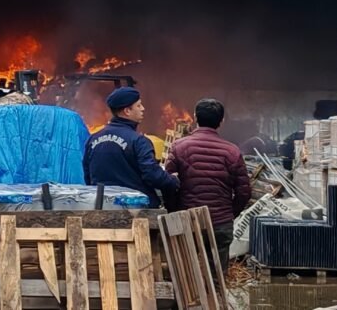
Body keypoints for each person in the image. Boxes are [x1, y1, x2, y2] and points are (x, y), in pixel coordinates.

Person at [165, 99, 251, 266]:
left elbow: (168, 184)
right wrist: (229, 214)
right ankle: (218, 293)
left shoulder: (178, 147)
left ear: (195, 117)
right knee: (217, 277)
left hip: (187, 220)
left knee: (187, 275)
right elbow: (244, 192)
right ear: (221, 121)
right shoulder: (232, 151)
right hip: (220, 223)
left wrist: (174, 210)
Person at [84, 87, 179, 208]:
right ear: (127, 111)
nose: (143, 109)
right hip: (136, 210)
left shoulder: (92, 140)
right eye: (138, 106)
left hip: (103, 208)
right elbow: (152, 175)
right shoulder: (139, 141)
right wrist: (173, 180)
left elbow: (88, 176)